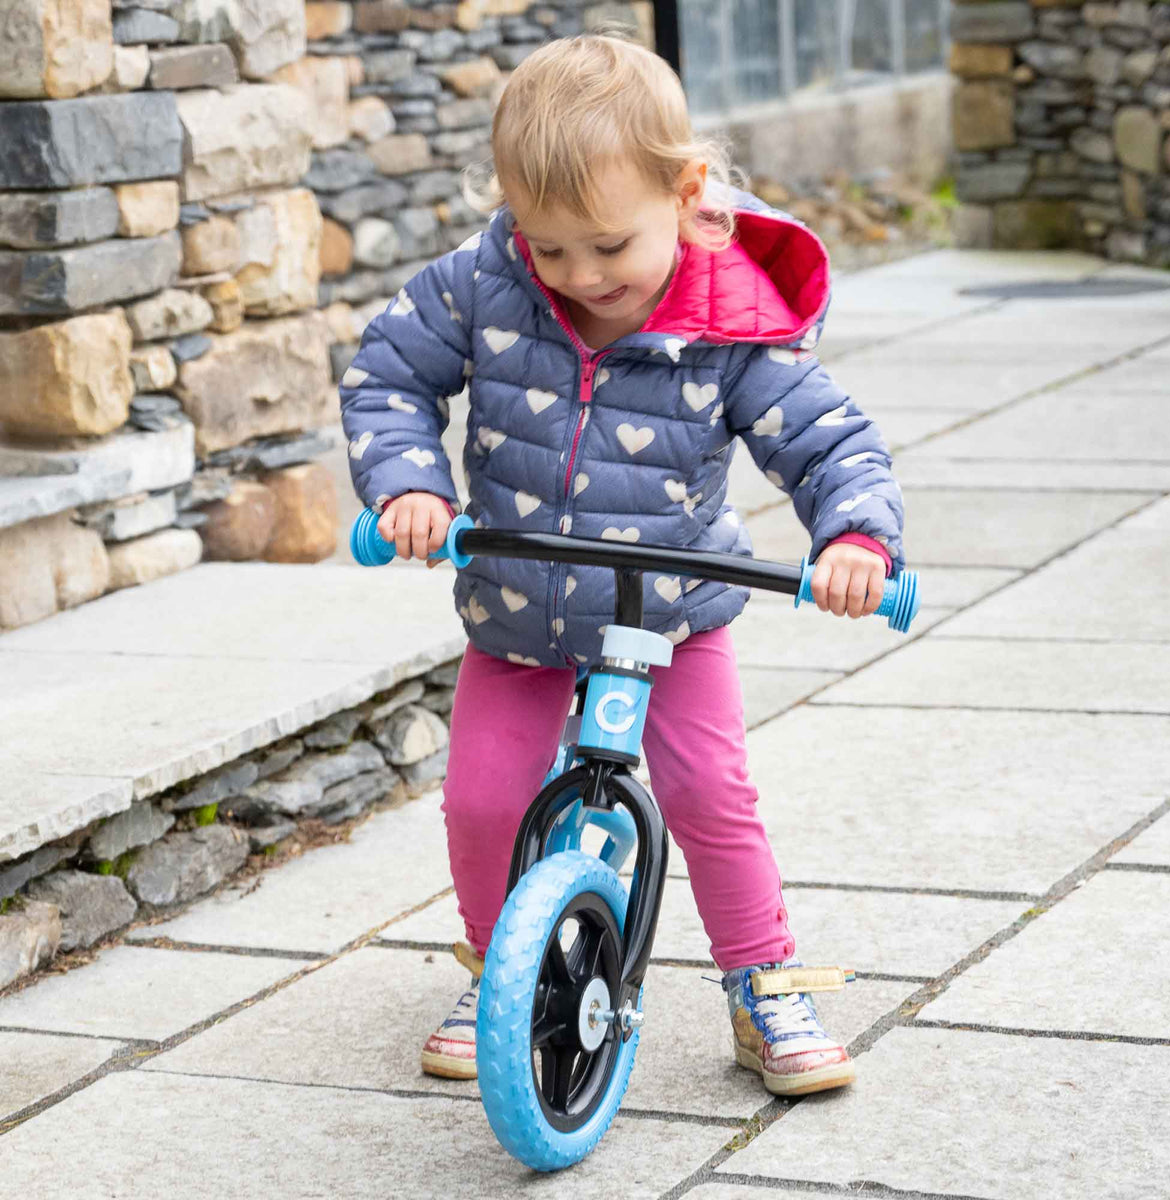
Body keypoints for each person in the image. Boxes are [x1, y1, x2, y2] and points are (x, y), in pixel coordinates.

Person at [339, 33, 905, 1097]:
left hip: (669, 616)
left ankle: (760, 979)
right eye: (548, 247)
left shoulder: (729, 323)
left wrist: (854, 540)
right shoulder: (483, 282)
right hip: (520, 609)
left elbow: (829, 441)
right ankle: (501, 967)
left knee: (708, 791)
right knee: (481, 801)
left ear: (687, 194)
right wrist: (410, 485)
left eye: (607, 247)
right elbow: (385, 378)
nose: (579, 276)